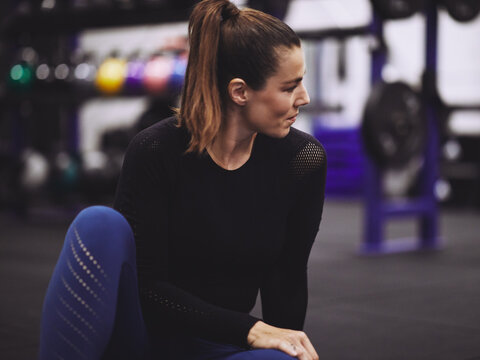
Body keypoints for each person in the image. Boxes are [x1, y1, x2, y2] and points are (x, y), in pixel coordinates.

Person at [113, 0, 327, 359]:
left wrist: (290, 348)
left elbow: (287, 279)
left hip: (223, 343)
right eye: (290, 87)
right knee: (97, 225)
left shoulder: (301, 159)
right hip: (150, 339)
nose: (303, 98)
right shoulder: (154, 151)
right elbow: (147, 288)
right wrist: (249, 329)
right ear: (240, 91)